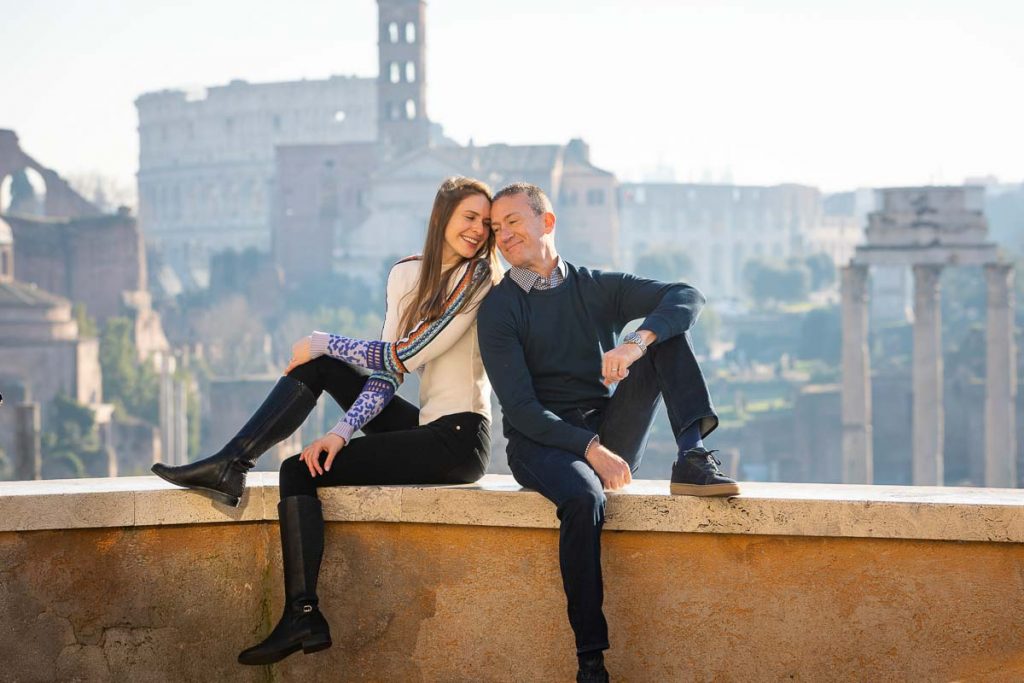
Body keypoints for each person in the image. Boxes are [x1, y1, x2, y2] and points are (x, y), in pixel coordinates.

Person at [151, 176, 500, 665]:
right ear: (442, 217)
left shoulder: (479, 278)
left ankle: (302, 612)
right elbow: (387, 373)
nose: (479, 231)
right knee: (321, 371)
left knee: (298, 468)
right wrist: (341, 430)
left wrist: (324, 339)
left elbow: (409, 352)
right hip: (426, 427)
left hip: (458, 440)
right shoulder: (407, 276)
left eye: (485, 224)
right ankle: (232, 463)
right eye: (469, 218)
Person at [477, 182, 738, 683]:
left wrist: (635, 343)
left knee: (665, 335)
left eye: (513, 221)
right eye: (495, 228)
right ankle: (590, 659)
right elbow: (522, 410)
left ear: (546, 222)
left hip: (604, 428)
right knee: (581, 498)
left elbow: (686, 295)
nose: (503, 235)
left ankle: (693, 455)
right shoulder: (500, 308)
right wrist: (591, 450)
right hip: (541, 442)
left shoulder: (594, 285)